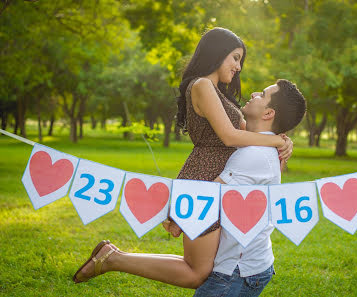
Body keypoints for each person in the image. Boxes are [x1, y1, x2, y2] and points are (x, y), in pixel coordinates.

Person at [72, 27, 293, 288]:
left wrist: (283, 140)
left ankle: (114, 257)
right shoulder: (202, 85)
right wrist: (275, 140)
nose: (238, 67)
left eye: (240, 60)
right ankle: (113, 260)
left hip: (219, 181)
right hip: (205, 179)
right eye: (235, 57)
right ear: (217, 53)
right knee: (196, 272)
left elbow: (247, 132)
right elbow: (230, 136)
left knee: (199, 267)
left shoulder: (218, 92)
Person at [193, 79, 306, 297]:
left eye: (262, 94)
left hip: (237, 271)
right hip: (246, 264)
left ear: (268, 114)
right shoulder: (259, 146)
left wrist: (173, 214)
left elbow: (206, 198)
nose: (254, 93)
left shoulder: (253, 154)